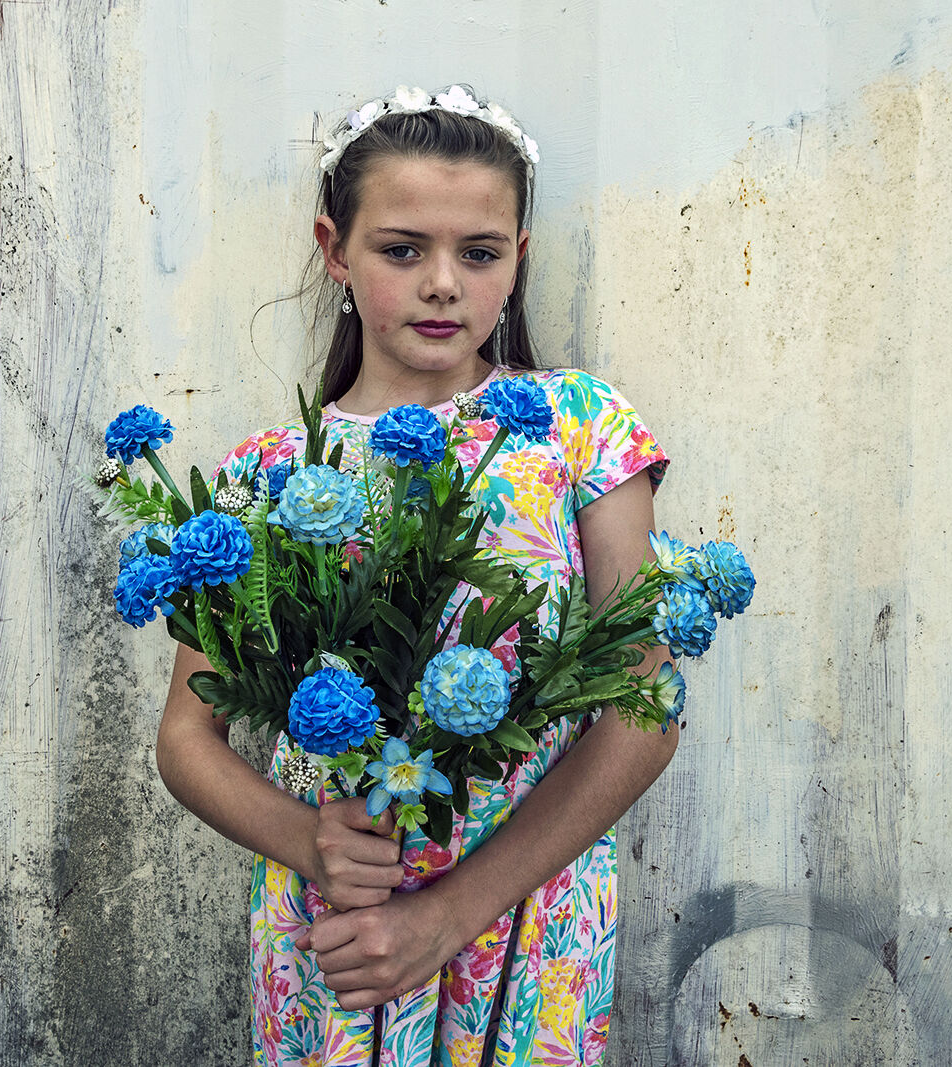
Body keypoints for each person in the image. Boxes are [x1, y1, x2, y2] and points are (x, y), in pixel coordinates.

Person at [155, 84, 678, 1066]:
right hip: (338, 925)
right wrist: (307, 838)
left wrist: (445, 914)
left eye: (477, 252)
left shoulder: (579, 428)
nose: (443, 282)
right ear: (333, 250)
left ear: (516, 260)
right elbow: (189, 733)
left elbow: (644, 707)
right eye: (402, 248)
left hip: (525, 912)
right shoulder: (267, 474)